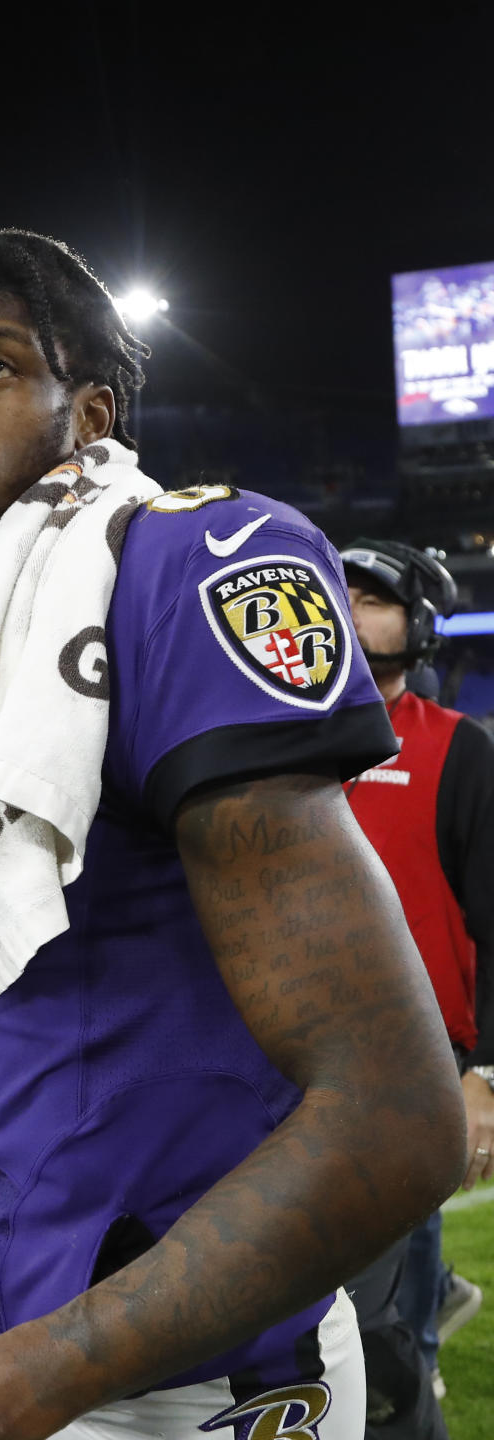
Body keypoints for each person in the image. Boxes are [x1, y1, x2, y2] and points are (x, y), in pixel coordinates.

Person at [0, 226, 467, 1440]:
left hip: (177, 1388)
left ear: (90, 415)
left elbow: (397, 1117)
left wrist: (37, 1378)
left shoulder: (173, 570)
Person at [339, 538, 494, 1429]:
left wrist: (486, 1076)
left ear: (421, 625)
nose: (351, 613)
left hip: (409, 1076)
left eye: (373, 599)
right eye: (341, 597)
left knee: (379, 1340)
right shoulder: (281, 742)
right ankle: (432, 1282)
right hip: (280, 1071)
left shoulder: (460, 752)